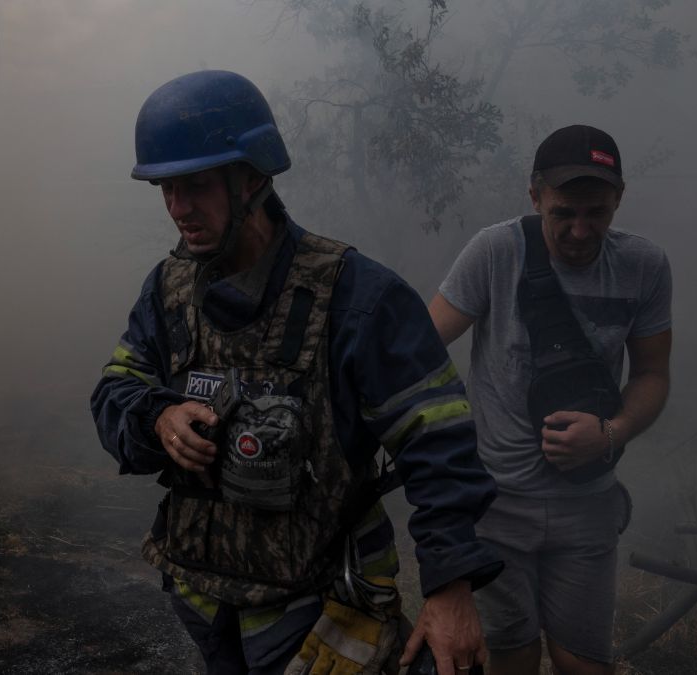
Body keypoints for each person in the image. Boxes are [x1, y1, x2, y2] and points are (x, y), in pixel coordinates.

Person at [91, 70, 502, 674]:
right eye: (165, 190)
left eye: (196, 186)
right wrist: (157, 417)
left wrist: (450, 586)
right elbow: (113, 390)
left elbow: (438, 443)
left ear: (253, 176)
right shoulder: (168, 291)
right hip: (207, 607)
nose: (178, 209)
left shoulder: (358, 297)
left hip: (324, 611)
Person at [428, 124, 672, 675]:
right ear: (535, 196)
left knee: (582, 660)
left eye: (597, 213)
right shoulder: (495, 253)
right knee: (511, 655)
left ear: (619, 200)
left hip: (588, 504)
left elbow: (654, 374)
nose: (581, 230)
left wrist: (611, 433)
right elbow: (419, 348)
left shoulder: (644, 266)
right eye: (563, 212)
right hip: (497, 506)